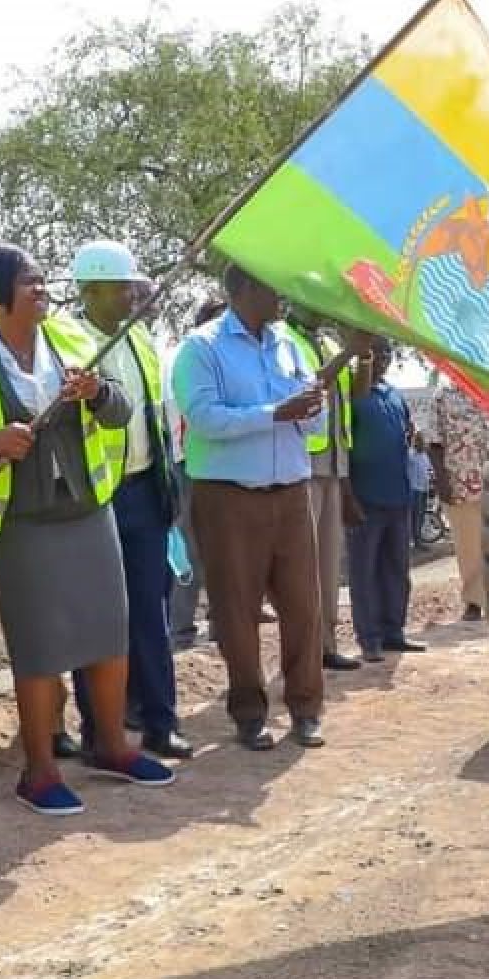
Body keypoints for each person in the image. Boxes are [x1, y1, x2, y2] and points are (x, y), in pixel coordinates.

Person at [0, 242, 174, 815]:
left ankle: (112, 745)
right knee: (38, 647)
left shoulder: (72, 341)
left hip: (88, 509)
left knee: (109, 632)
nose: (42, 289)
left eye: (41, 278)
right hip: (18, 522)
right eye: (28, 281)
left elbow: (120, 413)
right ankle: (38, 773)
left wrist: (98, 392)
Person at [171, 265, 327, 750]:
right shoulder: (201, 348)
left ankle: (306, 708)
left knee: (303, 607)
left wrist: (312, 408)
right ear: (244, 288)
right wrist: (276, 413)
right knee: (237, 610)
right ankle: (249, 714)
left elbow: (312, 416)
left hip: (292, 492)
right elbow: (203, 417)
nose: (282, 295)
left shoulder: (288, 345)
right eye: (272, 285)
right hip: (229, 497)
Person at [73, 239, 192, 760]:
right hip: (93, 500)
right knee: (96, 619)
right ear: (91, 290)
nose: (133, 296)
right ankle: (100, 731)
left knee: (151, 614)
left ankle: (161, 723)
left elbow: (157, 417)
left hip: (145, 492)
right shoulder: (69, 341)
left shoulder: (140, 338)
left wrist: (168, 490)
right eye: (122, 287)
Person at [280, 307, 363, 672]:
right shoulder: (284, 340)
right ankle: (302, 649)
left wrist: (364, 355)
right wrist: (348, 353)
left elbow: (354, 393)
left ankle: (326, 643)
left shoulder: (328, 342)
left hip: (334, 462)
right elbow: (306, 389)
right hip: (302, 463)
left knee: (329, 561)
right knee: (302, 563)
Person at [346, 336, 425, 662]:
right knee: (364, 572)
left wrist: (416, 440)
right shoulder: (353, 394)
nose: (381, 358)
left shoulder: (394, 395)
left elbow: (407, 433)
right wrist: (347, 495)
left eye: (386, 352)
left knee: (397, 570)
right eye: (374, 352)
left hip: (398, 496)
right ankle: (369, 639)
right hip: (365, 497)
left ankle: (394, 632)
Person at [164, 295, 225, 651]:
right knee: (188, 548)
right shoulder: (184, 357)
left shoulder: (223, 359)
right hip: (188, 463)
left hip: (220, 465)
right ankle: (182, 628)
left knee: (224, 546)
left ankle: (221, 620)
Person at [429, 381, 489, 621]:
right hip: (459, 482)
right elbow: (433, 442)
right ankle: (474, 601)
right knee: (469, 546)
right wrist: (442, 482)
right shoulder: (443, 395)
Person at [408, 431, 433, 549]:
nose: (423, 443)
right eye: (420, 441)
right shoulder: (410, 455)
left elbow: (428, 470)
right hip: (414, 489)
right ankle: (415, 541)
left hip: (424, 489)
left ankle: (418, 539)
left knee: (421, 515)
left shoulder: (425, 455)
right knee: (415, 516)